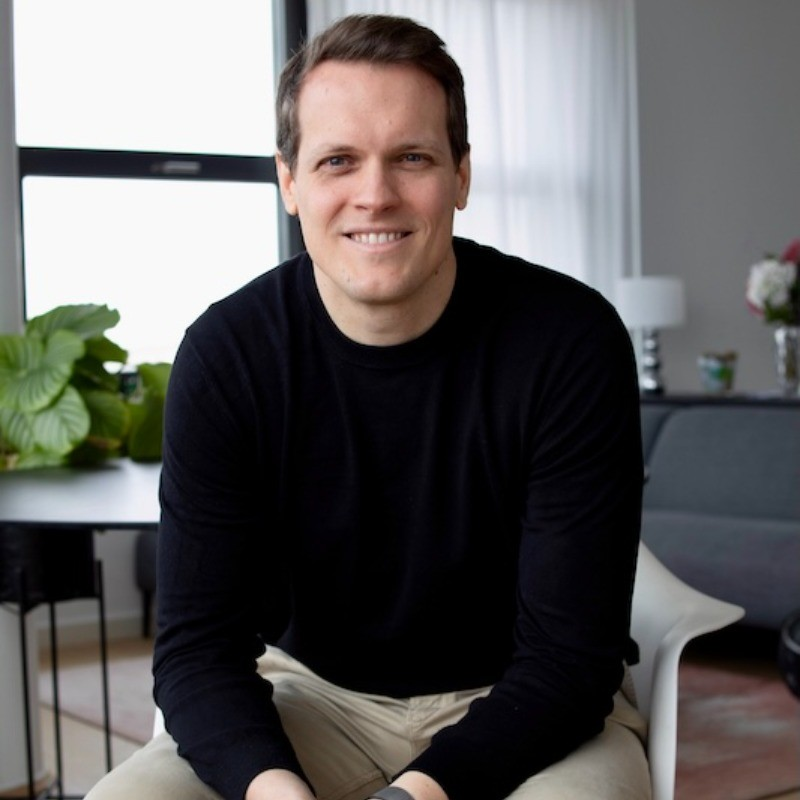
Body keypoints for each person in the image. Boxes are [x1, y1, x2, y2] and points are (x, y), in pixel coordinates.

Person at [86, 13, 649, 800]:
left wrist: (415, 795)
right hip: (311, 700)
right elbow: (197, 651)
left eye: (412, 157)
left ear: (461, 175)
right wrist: (274, 791)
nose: (375, 196)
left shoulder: (568, 341)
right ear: (290, 182)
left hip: (530, 707)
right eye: (338, 160)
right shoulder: (227, 355)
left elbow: (568, 660)